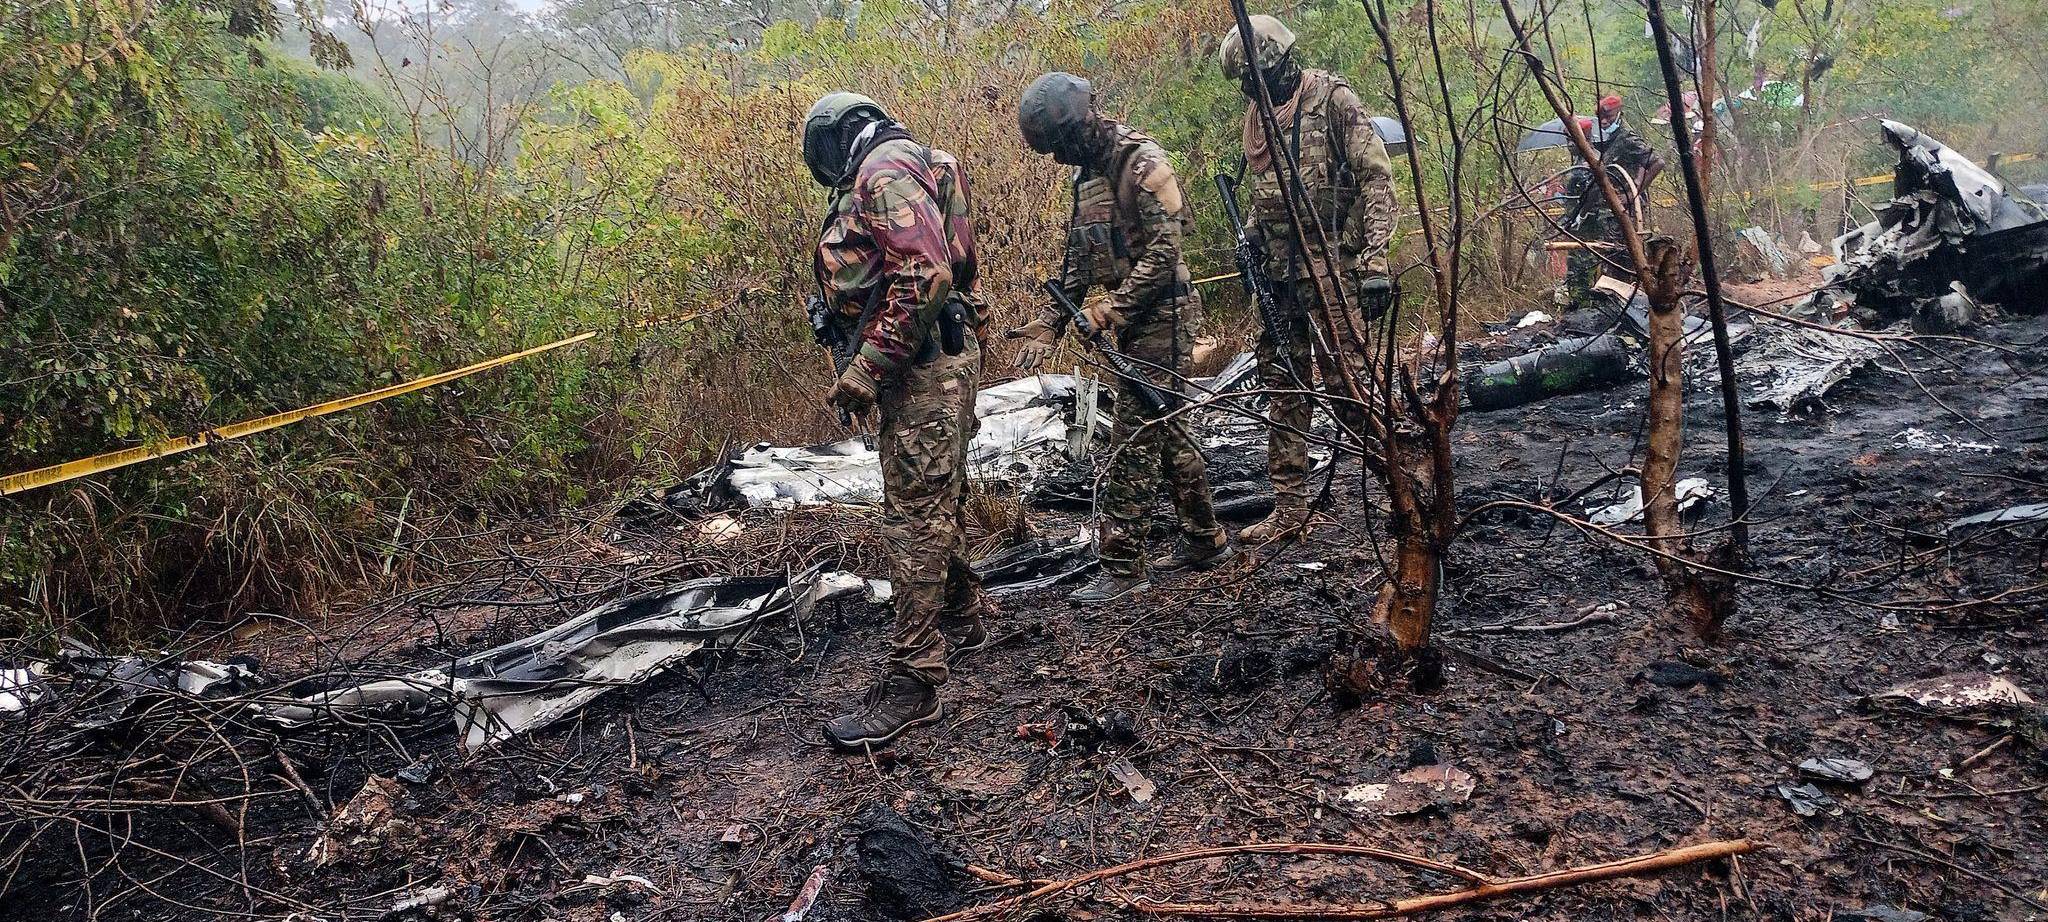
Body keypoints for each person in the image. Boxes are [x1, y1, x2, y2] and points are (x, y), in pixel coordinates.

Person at [802, 92, 993, 750]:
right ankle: (964, 615)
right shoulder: (924, 160)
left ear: (834, 140)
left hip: (918, 367)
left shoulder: (881, 173)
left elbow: (926, 273)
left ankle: (915, 681)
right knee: (939, 498)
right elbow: (957, 268)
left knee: (913, 516)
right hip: (944, 358)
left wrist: (865, 370)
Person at [1006, 72, 1233, 605]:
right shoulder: (1085, 178)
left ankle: (1123, 565)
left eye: (1060, 146)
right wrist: (1051, 320)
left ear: (1082, 125)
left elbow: (1165, 254)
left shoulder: (1144, 164)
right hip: (1130, 323)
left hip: (1165, 316)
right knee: (1169, 427)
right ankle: (1205, 540)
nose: (1059, 158)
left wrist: (1110, 309)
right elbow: (1077, 257)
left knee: (1134, 436)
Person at [1219, 14, 1398, 543]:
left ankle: (1402, 487)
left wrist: (1376, 261)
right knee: (1283, 389)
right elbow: (1264, 192)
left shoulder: (1333, 101)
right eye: (1245, 84)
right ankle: (1291, 508)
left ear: (1277, 64)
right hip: (1280, 278)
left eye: (1254, 77)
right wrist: (1251, 236)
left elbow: (1376, 181)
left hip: (1332, 274)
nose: (1250, 89)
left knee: (1349, 387)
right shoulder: (1258, 119)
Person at [1562, 94, 1666, 307]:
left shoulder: (1627, 138)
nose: (1603, 121)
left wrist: (1632, 193)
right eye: (1599, 116)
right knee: (1607, 256)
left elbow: (1656, 162)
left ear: (1618, 113)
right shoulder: (1609, 139)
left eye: (1607, 115)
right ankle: (1608, 303)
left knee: (1621, 257)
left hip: (1623, 212)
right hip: (1607, 212)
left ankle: (1624, 304)